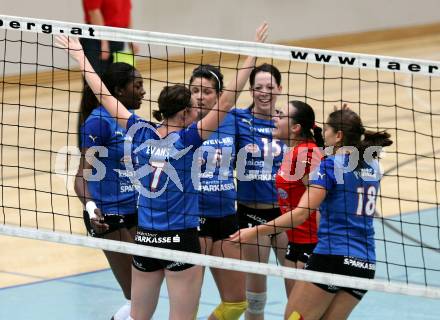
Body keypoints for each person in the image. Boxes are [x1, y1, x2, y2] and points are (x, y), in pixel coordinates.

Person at [56, 34, 247, 320]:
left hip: (146, 240)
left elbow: (104, 95)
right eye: (194, 109)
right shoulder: (187, 141)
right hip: (181, 241)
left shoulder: (139, 133)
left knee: (137, 316)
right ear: (184, 114)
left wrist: (80, 57)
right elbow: (227, 101)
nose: (198, 110)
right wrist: (251, 56)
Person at [231, 107, 393, 320]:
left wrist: (254, 232)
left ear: (338, 135)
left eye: (327, 129)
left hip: (331, 257)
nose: (323, 133)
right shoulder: (373, 165)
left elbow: (300, 214)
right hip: (364, 263)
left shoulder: (329, 166)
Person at [190, 21, 268, 320]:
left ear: (218, 95)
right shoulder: (181, 121)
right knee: (188, 302)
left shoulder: (233, 118)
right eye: (194, 90)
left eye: (206, 91)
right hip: (192, 218)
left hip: (226, 217)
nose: (199, 96)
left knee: (237, 303)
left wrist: (254, 50)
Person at [74, 62, 145, 320]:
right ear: (119, 90)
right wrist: (92, 208)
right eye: (137, 85)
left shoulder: (133, 122)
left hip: (135, 211)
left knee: (145, 291)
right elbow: (81, 177)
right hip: (107, 216)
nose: (143, 91)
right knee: (136, 293)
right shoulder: (99, 122)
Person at [233, 62, 288, 319]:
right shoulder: (238, 120)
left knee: (298, 291)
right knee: (254, 301)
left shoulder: (290, 123)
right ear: (251, 90)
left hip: (288, 217)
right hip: (251, 216)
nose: (264, 92)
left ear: (279, 88)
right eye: (258, 87)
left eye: (270, 86)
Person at [273, 100, 324, 296]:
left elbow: (320, 203)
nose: (275, 118)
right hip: (294, 242)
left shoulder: (306, 155)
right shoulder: (293, 152)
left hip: (311, 245)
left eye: (281, 115)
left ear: (295, 127)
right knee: (293, 314)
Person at [81, 0, 139, 76]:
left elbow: (126, 12)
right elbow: (94, 12)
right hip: (96, 38)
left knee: (115, 78)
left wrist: (131, 38)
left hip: (117, 37)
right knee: (95, 77)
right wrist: (103, 41)